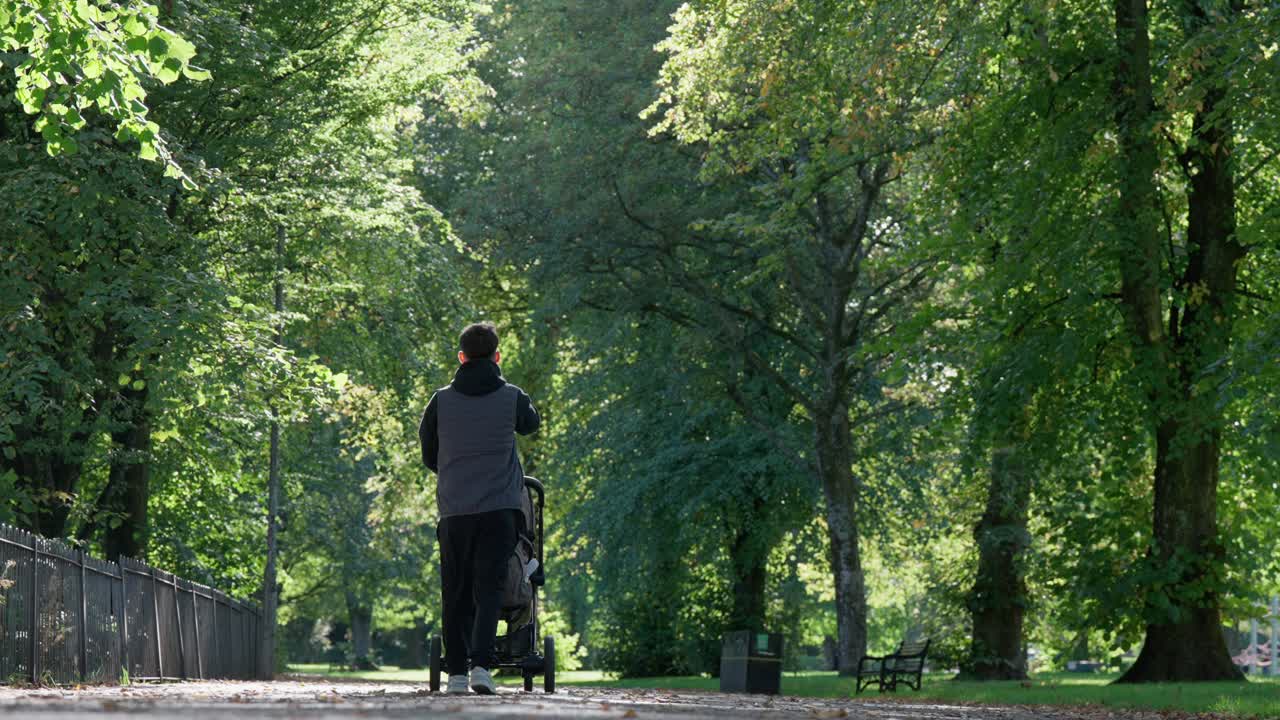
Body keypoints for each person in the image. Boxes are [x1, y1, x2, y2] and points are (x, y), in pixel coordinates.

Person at [419, 322, 540, 694]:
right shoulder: (513, 396)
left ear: (461, 357)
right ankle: (481, 669)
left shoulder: (440, 400)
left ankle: (455, 674)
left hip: (456, 510)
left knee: (455, 589)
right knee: (489, 587)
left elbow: (428, 451)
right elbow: (531, 425)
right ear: (497, 356)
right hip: (501, 509)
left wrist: (455, 472)